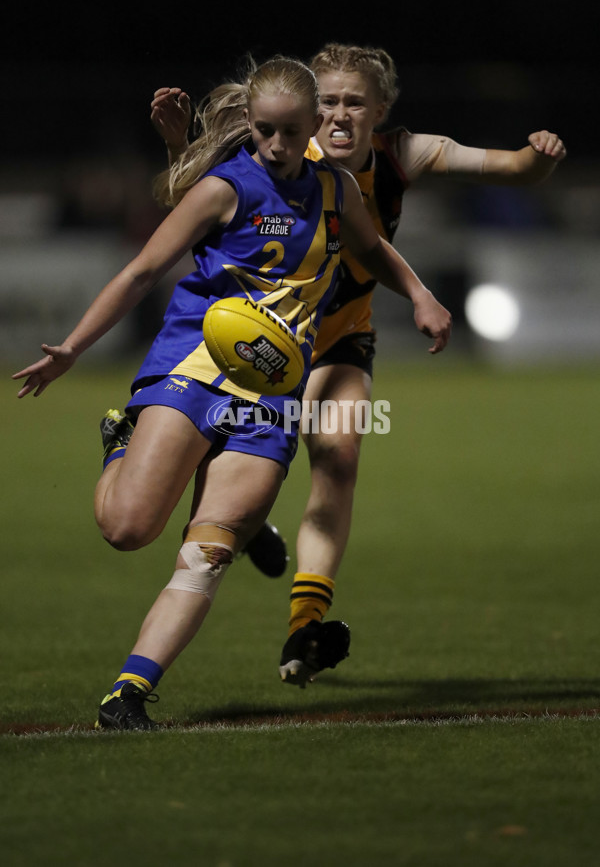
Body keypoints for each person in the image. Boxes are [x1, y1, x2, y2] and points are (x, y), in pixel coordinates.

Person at [13, 56, 452, 729]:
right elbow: (140, 273)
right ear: (249, 123)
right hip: (190, 375)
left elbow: (373, 251)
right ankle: (121, 439)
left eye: (290, 132)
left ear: (311, 128)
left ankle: (128, 692)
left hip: (271, 398)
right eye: (266, 131)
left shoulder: (337, 191)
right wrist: (73, 348)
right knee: (127, 529)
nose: (277, 147)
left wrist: (421, 295)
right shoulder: (224, 188)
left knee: (209, 551)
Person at [150, 43, 566, 689]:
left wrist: (537, 159)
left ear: (381, 112)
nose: (340, 117)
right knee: (228, 475)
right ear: (313, 108)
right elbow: (192, 198)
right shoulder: (281, 151)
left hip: (341, 338)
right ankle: (182, 467)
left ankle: (303, 627)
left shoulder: (405, 154)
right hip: (259, 339)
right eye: (331, 103)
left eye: (355, 104)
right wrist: (179, 143)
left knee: (338, 457)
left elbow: (514, 169)